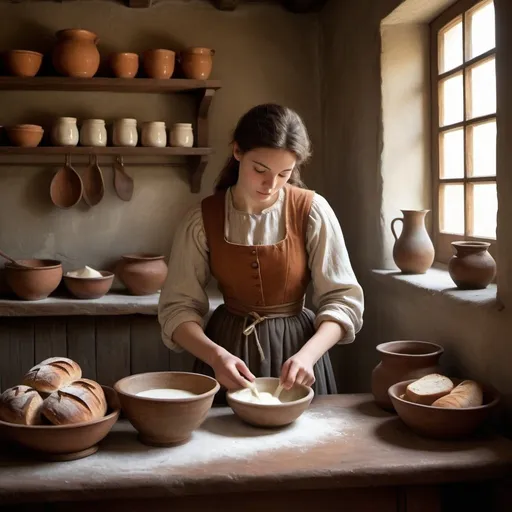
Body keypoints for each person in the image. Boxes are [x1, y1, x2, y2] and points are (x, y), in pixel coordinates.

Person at [158, 103, 364, 398]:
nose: (271, 185)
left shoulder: (313, 211)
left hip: (300, 353)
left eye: (285, 174)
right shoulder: (202, 219)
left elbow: (343, 300)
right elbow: (177, 308)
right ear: (237, 151)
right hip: (225, 352)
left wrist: (308, 356)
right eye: (260, 170)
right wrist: (216, 357)